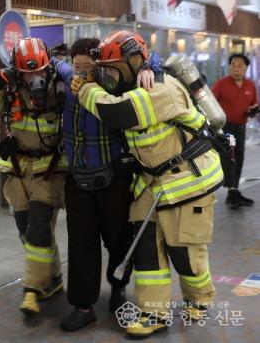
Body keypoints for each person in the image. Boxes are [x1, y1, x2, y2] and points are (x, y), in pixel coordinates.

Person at [72, 30, 224, 339]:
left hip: (186, 180)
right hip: (152, 184)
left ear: (134, 60)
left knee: (185, 252)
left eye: (113, 69)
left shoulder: (160, 88)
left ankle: (201, 298)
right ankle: (154, 312)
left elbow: (116, 112)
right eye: (105, 70)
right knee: (146, 253)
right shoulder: (138, 80)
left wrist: (86, 89)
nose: (109, 77)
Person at [60, 38, 157, 332]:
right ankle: (83, 305)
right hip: (77, 176)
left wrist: (151, 67)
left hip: (114, 176)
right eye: (77, 67)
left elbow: (149, 58)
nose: (81, 73)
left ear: (100, 65)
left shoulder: (116, 85)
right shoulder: (66, 80)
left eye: (88, 68)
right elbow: (51, 62)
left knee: (118, 238)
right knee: (80, 243)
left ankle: (118, 288)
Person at [0, 37, 70, 317]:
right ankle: (53, 280)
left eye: (39, 71)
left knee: (38, 227)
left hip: (50, 171)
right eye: (28, 72)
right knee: (28, 231)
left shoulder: (61, 85)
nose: (34, 78)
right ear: (16, 71)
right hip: (19, 171)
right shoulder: (9, 91)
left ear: (48, 66)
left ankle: (32, 289)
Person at [211, 53, 259, 209]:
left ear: (246, 68)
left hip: (241, 127)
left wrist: (253, 111)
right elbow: (209, 103)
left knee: (239, 158)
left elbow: (253, 104)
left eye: (240, 66)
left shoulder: (250, 85)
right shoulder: (221, 84)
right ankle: (231, 192)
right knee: (228, 158)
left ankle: (235, 190)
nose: (236, 69)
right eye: (233, 65)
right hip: (225, 128)